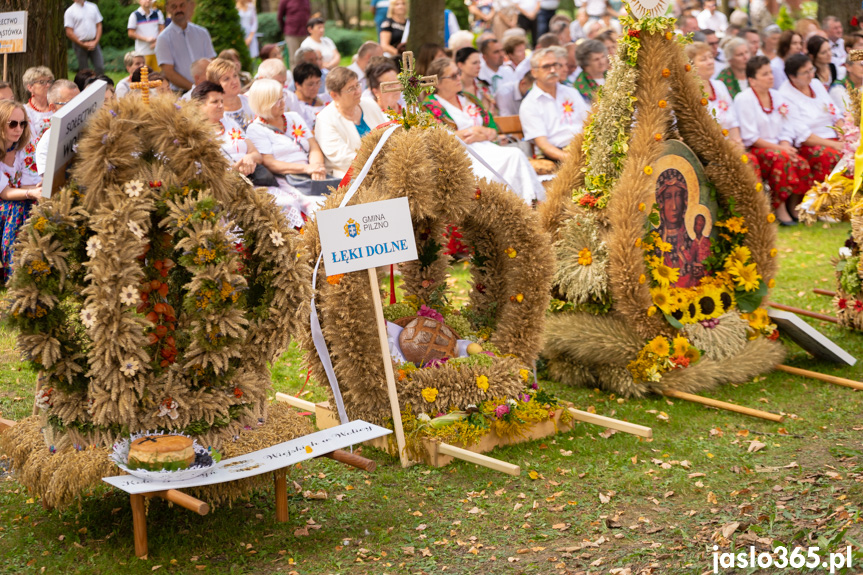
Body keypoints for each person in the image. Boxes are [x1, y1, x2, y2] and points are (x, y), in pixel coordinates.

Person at [422, 57, 545, 203]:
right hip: (463, 155)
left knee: (515, 155)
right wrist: (469, 134)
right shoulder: (430, 105)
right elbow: (437, 138)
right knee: (506, 160)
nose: (459, 78)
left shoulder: (469, 99)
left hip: (487, 147)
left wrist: (481, 133)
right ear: (439, 82)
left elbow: (492, 129)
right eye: (453, 75)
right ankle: (511, 204)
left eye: (459, 73)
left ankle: (526, 204)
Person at [735, 55, 811, 225]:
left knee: (801, 163)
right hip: (758, 148)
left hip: (779, 147)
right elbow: (750, 137)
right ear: (752, 80)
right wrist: (781, 149)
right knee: (781, 160)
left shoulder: (776, 96)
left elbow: (787, 126)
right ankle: (779, 207)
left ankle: (794, 206)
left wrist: (785, 144)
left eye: (770, 72)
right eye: (764, 74)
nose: (771, 76)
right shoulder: (744, 99)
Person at [246, 79, 329, 227]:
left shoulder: (294, 117)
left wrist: (317, 166)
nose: (283, 102)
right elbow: (269, 162)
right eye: (277, 101)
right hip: (288, 179)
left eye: (282, 97)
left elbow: (313, 146)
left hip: (311, 173)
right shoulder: (255, 129)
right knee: (318, 205)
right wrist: (306, 169)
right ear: (264, 103)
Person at [191, 81, 273, 187]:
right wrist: (233, 171)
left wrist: (249, 158)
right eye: (215, 102)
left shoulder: (228, 121)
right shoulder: (194, 134)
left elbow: (257, 155)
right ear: (198, 106)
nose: (221, 106)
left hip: (255, 181)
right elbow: (201, 174)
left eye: (222, 101)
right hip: (226, 188)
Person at [778, 54, 842, 183]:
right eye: (805, 72)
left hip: (834, 137)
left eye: (811, 69)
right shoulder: (785, 95)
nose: (811, 75)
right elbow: (804, 136)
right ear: (792, 77)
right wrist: (835, 145)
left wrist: (844, 134)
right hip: (813, 144)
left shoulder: (816, 84)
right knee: (834, 157)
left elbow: (835, 112)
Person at [519, 47, 589, 161]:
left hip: (584, 147)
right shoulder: (530, 104)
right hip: (558, 155)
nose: (552, 70)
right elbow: (543, 145)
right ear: (534, 72)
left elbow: (589, 123)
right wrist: (573, 159)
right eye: (546, 66)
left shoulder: (571, 92)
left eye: (555, 65)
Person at [0, 100, 43, 284]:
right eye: (12, 123)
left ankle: (38, 268)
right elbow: (5, 192)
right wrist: (31, 193)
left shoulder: (22, 149)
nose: (18, 129)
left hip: (11, 200)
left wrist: (39, 188)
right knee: (16, 208)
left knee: (36, 204)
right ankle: (15, 272)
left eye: (22, 123)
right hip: (5, 201)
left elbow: (25, 184)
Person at [315, 68, 387, 178]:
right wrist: (378, 164)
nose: (358, 91)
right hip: (350, 176)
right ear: (334, 95)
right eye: (350, 89)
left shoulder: (369, 104)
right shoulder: (325, 119)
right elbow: (343, 158)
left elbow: (386, 135)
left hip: (384, 167)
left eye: (357, 85)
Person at [155, 0, 217, 91]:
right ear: (167, 8)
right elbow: (168, 72)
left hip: (208, 90)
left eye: (182, 5)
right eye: (174, 6)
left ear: (188, 5)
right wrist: (194, 88)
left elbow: (212, 62)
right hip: (181, 94)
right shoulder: (163, 39)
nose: (178, 9)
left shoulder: (202, 33)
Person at [35, 80, 81, 176]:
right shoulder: (47, 143)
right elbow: (50, 184)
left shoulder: (92, 128)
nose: (77, 108)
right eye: (71, 104)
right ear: (53, 108)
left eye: (80, 102)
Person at [206, 58, 254, 130]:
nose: (234, 81)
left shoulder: (251, 102)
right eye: (226, 79)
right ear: (215, 85)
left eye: (235, 75)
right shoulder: (215, 115)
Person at [64, 0, 104, 75]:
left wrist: (95, 41)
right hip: (79, 45)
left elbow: (99, 25)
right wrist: (82, 44)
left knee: (100, 67)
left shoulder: (93, 7)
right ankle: (86, 86)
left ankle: (101, 84)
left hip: (94, 42)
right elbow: (69, 32)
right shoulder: (69, 11)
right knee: (84, 70)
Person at [456, 47, 496, 116]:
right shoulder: (454, 88)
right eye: (474, 63)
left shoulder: (483, 86)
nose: (479, 66)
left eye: (479, 63)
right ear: (460, 65)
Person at [127, 0, 164, 72]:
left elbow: (162, 29)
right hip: (142, 53)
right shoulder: (134, 15)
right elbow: (130, 33)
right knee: (144, 77)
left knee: (158, 77)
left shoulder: (158, 13)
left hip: (156, 52)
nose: (147, 0)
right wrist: (146, 39)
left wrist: (157, 41)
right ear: (139, 1)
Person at [293, 63, 330, 129]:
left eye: (318, 82)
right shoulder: (294, 106)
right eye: (310, 84)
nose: (316, 87)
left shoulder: (326, 99)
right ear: (298, 84)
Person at [277, 0, 311, 65]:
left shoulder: (306, 1)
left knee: (306, 57)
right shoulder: (284, 1)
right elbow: (280, 17)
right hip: (291, 34)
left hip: (305, 33)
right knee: (294, 58)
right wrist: (285, 30)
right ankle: (295, 74)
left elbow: (308, 14)